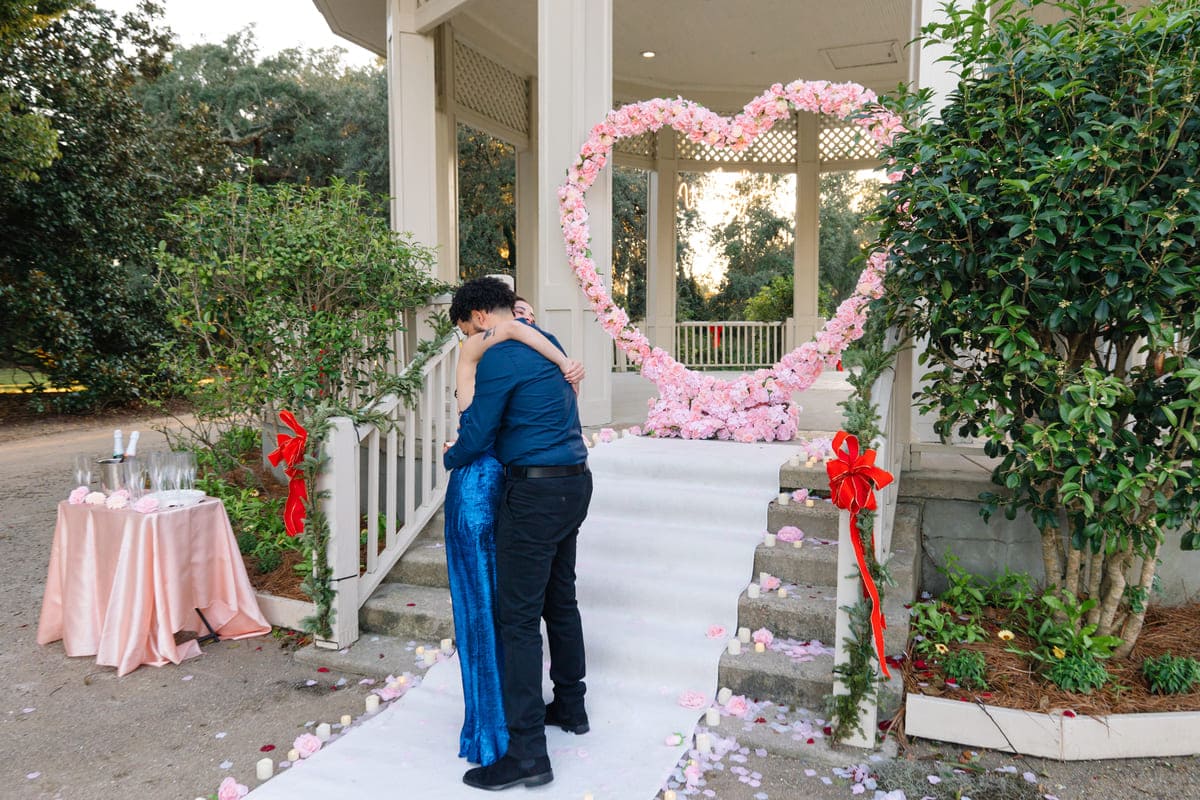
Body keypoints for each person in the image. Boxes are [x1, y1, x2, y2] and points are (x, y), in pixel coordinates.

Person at [444, 278, 593, 792]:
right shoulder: (549, 343)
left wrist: (450, 456)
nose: (470, 340)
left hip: (532, 494)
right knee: (560, 600)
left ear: (482, 317)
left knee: (517, 620)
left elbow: (478, 432)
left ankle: (527, 753)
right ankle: (571, 706)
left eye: (467, 330)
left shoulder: (499, 357)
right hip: (575, 482)